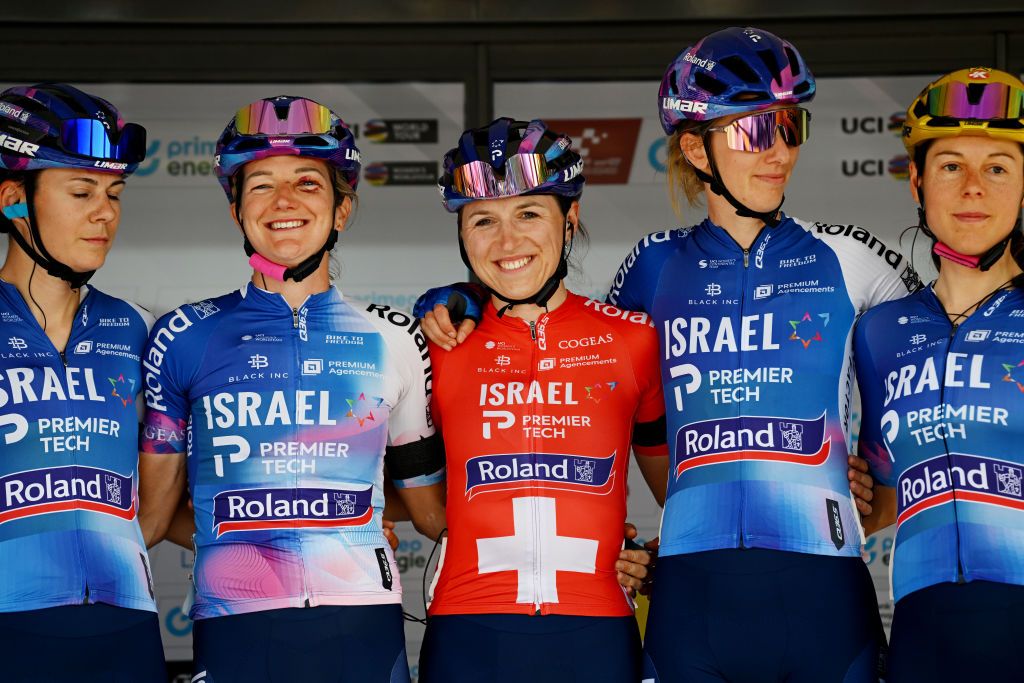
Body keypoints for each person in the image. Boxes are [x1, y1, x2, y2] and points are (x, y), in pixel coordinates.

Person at [419, 26, 905, 682]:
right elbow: (568, 337)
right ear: (694, 147)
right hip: (690, 599)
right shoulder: (653, 266)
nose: (780, 151)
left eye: (792, 126)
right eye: (755, 131)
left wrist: (876, 492)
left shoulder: (851, 257)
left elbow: (936, 377)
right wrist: (464, 297)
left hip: (826, 594)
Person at [137, 95, 446, 683]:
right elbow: (152, 517)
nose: (283, 202)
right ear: (236, 212)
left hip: (362, 625)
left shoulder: (395, 337)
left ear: (342, 209)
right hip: (236, 620)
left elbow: (432, 512)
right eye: (260, 186)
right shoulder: (183, 335)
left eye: (307, 182)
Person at [416, 117, 669, 683]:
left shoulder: (633, 339)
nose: (508, 242)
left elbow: (683, 495)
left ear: (570, 219)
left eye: (529, 213)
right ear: (462, 235)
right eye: (484, 220)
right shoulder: (436, 339)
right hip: (468, 633)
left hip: (596, 631)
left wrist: (657, 560)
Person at [856, 67, 1024, 683]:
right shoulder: (880, 331)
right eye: (951, 165)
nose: (973, 187)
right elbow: (880, 500)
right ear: (918, 183)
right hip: (922, 638)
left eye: (998, 167)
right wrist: (844, 488)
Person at [0, 83, 164, 681]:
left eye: (114, 193)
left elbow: (175, 483)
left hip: (123, 627)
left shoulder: (139, 327)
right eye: (81, 191)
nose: (106, 212)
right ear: (13, 200)